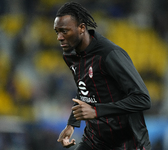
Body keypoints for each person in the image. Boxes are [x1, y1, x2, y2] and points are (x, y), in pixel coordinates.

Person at [54, 2, 151, 150]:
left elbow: (142, 99)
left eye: (64, 31)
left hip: (127, 143)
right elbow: (84, 89)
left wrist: (96, 111)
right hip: (94, 140)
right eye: (57, 32)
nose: (59, 37)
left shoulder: (110, 54)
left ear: (81, 28)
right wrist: (71, 124)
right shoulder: (70, 55)